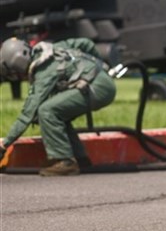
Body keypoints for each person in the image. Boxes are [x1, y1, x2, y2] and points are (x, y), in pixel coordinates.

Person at [0, 37, 116, 176]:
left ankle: (64, 161)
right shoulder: (52, 48)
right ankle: (80, 158)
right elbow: (86, 43)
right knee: (57, 112)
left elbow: (27, 114)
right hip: (101, 82)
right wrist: (99, 65)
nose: (19, 77)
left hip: (98, 88)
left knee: (47, 111)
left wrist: (4, 144)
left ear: (18, 65)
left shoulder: (44, 71)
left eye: (14, 73)